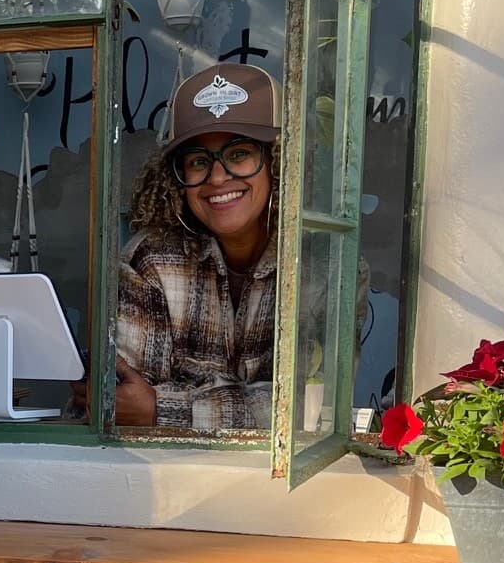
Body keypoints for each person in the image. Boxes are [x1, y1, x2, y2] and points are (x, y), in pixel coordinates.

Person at [115, 62, 368, 432]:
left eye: (239, 154)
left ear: (279, 163)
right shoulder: (149, 260)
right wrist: (254, 401)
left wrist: (165, 408)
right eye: (199, 161)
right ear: (177, 179)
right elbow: (125, 399)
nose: (218, 178)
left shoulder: (329, 266)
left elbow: (309, 408)